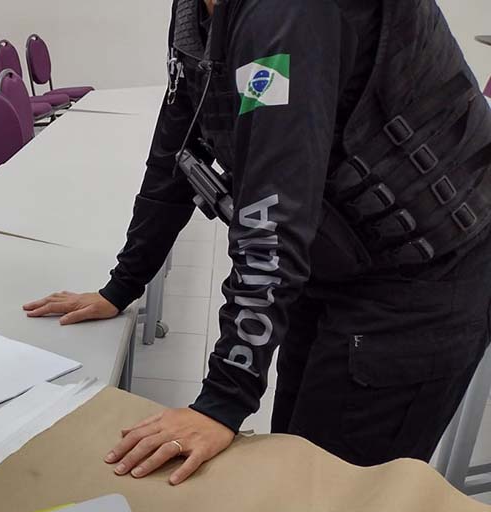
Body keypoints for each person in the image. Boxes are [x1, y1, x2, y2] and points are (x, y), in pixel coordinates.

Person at [25, 0, 491, 485]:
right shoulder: (199, 11)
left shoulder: (289, 13)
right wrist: (122, 285)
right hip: (335, 257)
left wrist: (224, 398)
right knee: (293, 456)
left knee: (329, 494)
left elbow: (272, 211)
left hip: (420, 279)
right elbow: (176, 149)